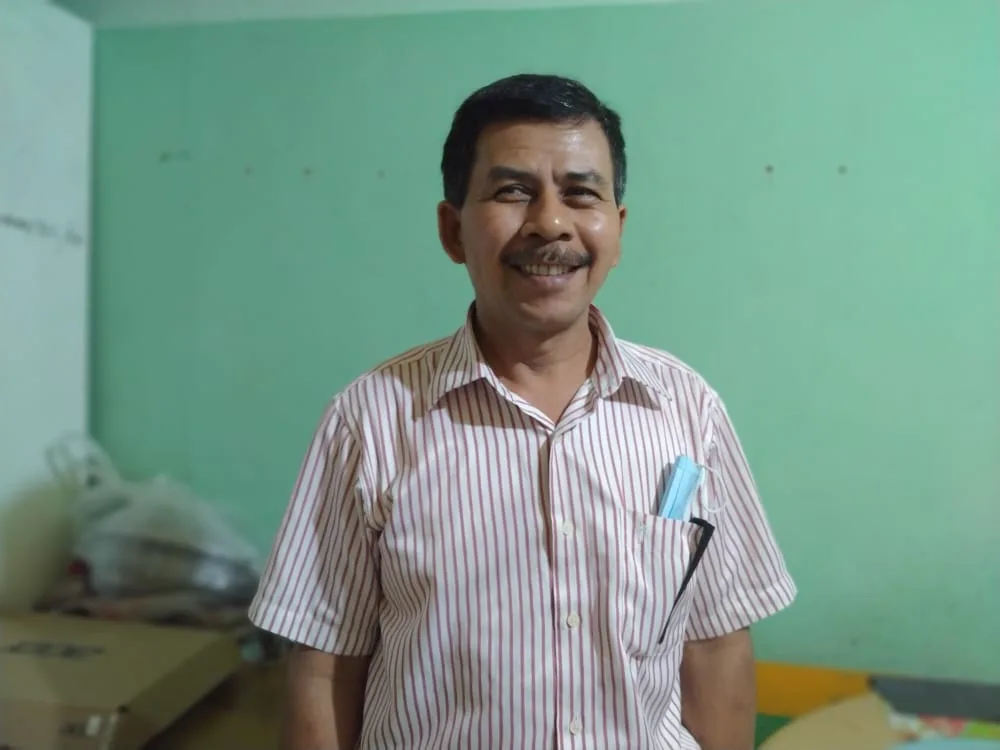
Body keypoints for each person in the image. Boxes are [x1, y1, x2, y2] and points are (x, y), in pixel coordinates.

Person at [248, 73, 796, 750]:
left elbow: (715, 645)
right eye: (512, 191)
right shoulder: (369, 422)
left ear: (617, 230)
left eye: (581, 193)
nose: (551, 223)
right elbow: (325, 667)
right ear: (452, 230)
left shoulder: (688, 409)